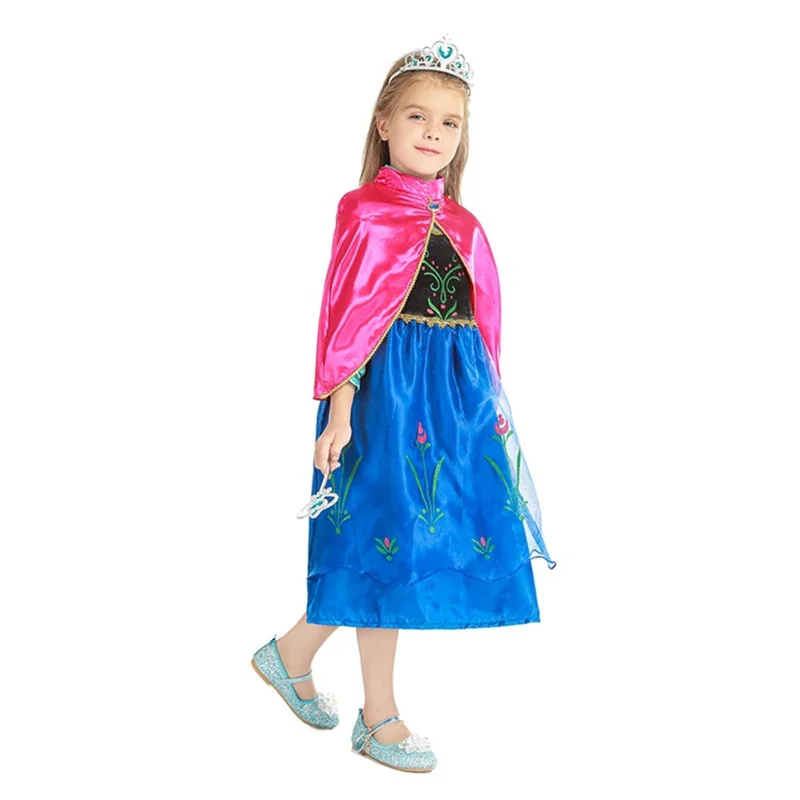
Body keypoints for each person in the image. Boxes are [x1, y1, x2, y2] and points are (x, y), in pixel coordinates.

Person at [251, 35, 556, 773]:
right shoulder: (363, 211)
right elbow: (348, 317)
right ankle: (377, 715)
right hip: (384, 400)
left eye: (449, 123)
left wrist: (489, 410)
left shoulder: (466, 224)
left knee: (411, 544)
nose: (433, 133)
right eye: (417, 116)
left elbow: (480, 329)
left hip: (452, 409)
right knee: (382, 541)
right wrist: (340, 413)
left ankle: (292, 655)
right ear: (384, 123)